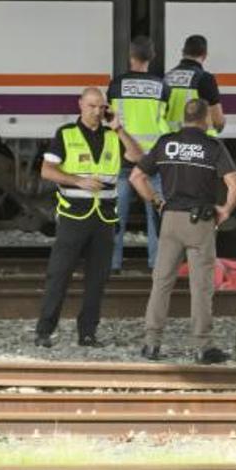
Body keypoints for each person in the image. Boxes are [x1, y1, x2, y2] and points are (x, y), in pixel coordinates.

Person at [131, 98, 236, 363]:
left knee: (161, 283)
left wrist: (157, 202)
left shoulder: (166, 142)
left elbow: (136, 177)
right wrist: (225, 210)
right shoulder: (212, 146)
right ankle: (202, 347)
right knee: (201, 287)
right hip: (199, 223)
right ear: (205, 119)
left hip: (170, 220)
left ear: (184, 117)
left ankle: (151, 343)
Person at [34, 87, 143, 349]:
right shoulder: (66, 134)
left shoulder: (111, 136)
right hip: (74, 214)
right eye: (92, 106)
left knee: (97, 279)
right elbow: (47, 171)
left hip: (104, 218)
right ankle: (44, 331)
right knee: (58, 274)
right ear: (81, 104)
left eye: (101, 107)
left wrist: (119, 129)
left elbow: (139, 157)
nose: (96, 111)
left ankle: (88, 334)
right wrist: (77, 181)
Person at [107, 36, 170, 272]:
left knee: (115, 218)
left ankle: (113, 264)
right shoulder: (162, 87)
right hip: (151, 162)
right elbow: (165, 123)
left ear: (130, 57)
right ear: (151, 58)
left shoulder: (116, 85)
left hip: (123, 158)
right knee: (157, 216)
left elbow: (111, 119)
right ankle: (156, 264)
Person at [164, 34, 225, 135]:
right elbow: (217, 120)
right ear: (205, 55)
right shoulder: (205, 78)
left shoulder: (166, 77)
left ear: (183, 52)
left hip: (171, 142)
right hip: (199, 143)